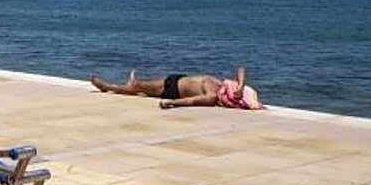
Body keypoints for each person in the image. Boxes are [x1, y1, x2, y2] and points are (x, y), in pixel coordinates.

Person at [90, 67, 262, 110]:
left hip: (173, 90)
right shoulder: (220, 85)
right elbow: (241, 69)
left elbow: (192, 101)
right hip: (177, 79)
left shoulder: (212, 96)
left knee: (137, 89)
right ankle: (130, 84)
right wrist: (240, 85)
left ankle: (108, 87)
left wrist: (173, 103)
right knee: (139, 87)